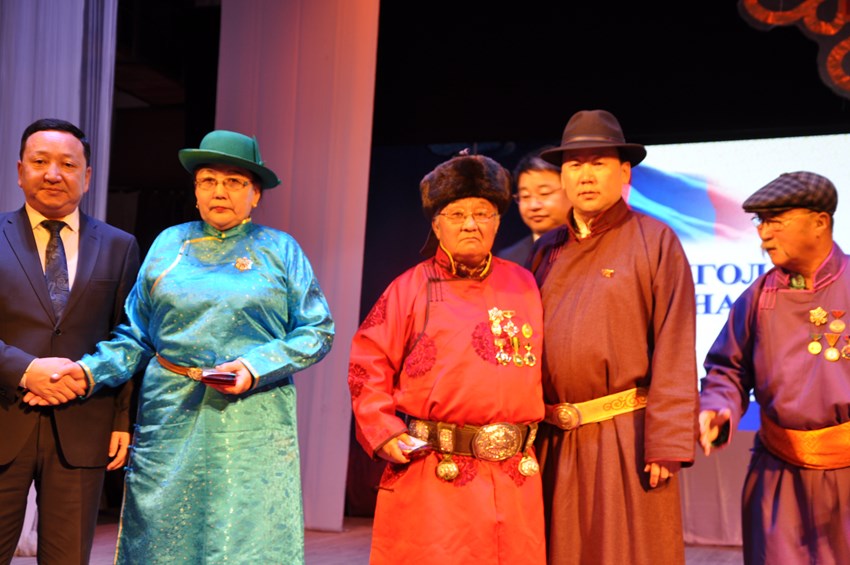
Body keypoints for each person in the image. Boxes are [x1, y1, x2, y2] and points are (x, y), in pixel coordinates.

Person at [28, 130, 335, 563]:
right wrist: (88, 371)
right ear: (195, 191)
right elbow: (137, 334)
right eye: (208, 181)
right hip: (170, 413)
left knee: (245, 537)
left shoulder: (280, 250)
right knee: (162, 536)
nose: (219, 192)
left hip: (252, 421)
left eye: (234, 182)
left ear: (255, 194)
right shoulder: (169, 244)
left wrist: (254, 367)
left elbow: (317, 330)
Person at [348, 153, 546, 564]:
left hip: (514, 479)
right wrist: (384, 431)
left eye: (482, 213)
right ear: (436, 225)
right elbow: (367, 363)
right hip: (438, 475)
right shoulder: (409, 288)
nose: (470, 224)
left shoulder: (524, 283)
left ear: (497, 221)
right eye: (456, 214)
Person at [530, 109, 698, 564]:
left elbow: (675, 342)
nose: (585, 176)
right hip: (552, 438)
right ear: (562, 176)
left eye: (598, 163)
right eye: (574, 164)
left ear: (624, 172)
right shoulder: (545, 251)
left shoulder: (654, 240)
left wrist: (667, 441)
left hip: (625, 436)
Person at [0, 118, 139, 564]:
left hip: (84, 424)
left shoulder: (120, 246)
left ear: (87, 175)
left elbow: (128, 334)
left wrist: (121, 419)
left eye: (68, 164)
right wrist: (25, 370)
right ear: (20, 170)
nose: (53, 174)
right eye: (40, 162)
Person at [699, 172, 850, 564]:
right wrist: (718, 407)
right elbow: (727, 368)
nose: (763, 234)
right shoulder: (758, 297)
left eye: (776, 221)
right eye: (760, 222)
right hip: (778, 474)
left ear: (820, 222)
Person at [497, 147, 569, 266]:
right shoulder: (508, 260)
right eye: (525, 196)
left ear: (570, 190)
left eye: (544, 193)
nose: (533, 205)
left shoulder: (590, 247)